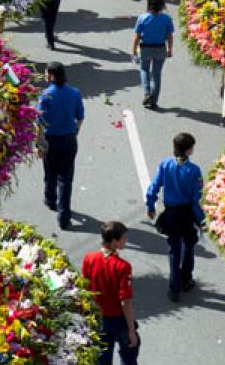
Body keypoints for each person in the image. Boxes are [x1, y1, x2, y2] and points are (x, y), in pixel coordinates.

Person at [146, 132, 206, 303]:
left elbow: (154, 187)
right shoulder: (194, 170)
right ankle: (186, 279)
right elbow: (197, 198)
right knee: (189, 244)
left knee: (174, 249)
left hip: (171, 214)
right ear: (188, 150)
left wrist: (150, 206)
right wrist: (201, 220)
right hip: (187, 214)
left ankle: (174, 287)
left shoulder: (165, 165)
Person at [82, 222, 140, 365]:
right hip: (119, 320)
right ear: (114, 241)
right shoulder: (123, 267)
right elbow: (125, 302)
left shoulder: (89, 258)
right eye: (124, 238)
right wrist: (131, 330)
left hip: (100, 319)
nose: (126, 241)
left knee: (102, 358)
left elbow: (85, 288)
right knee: (129, 355)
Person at [38, 62, 84, 230]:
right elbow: (80, 117)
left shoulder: (45, 95)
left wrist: (39, 143)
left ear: (51, 75)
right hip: (69, 140)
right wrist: (75, 132)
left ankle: (50, 199)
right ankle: (64, 217)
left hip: (51, 140)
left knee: (50, 171)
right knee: (65, 179)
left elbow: (40, 122)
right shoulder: (74, 93)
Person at [132, 0, 174, 109]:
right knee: (157, 75)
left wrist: (133, 50)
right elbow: (169, 36)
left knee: (144, 69)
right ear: (162, 5)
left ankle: (146, 93)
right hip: (160, 49)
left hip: (146, 48)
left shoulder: (142, 18)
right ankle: (154, 100)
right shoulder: (166, 19)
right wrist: (170, 49)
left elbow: (137, 36)